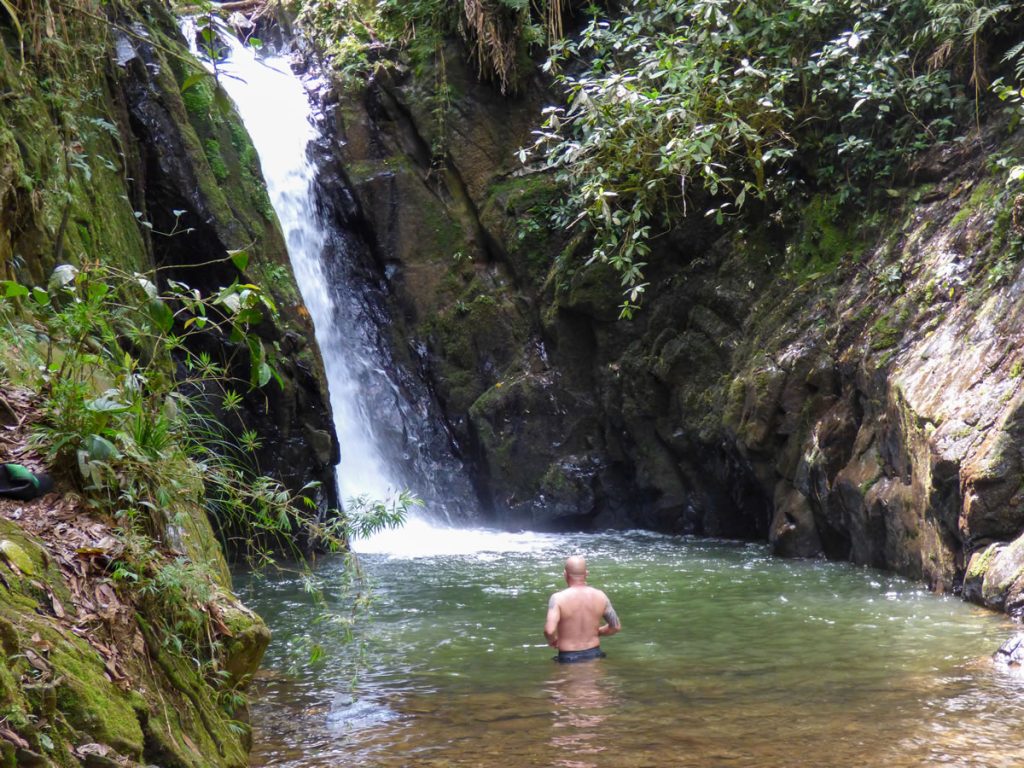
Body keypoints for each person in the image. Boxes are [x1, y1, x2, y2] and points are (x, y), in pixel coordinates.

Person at [544, 555, 621, 663]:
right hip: (595, 654)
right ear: (586, 573)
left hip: (568, 657)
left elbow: (549, 630)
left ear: (565, 574)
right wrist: (597, 632)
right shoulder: (601, 596)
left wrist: (553, 641)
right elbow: (615, 627)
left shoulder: (558, 598)